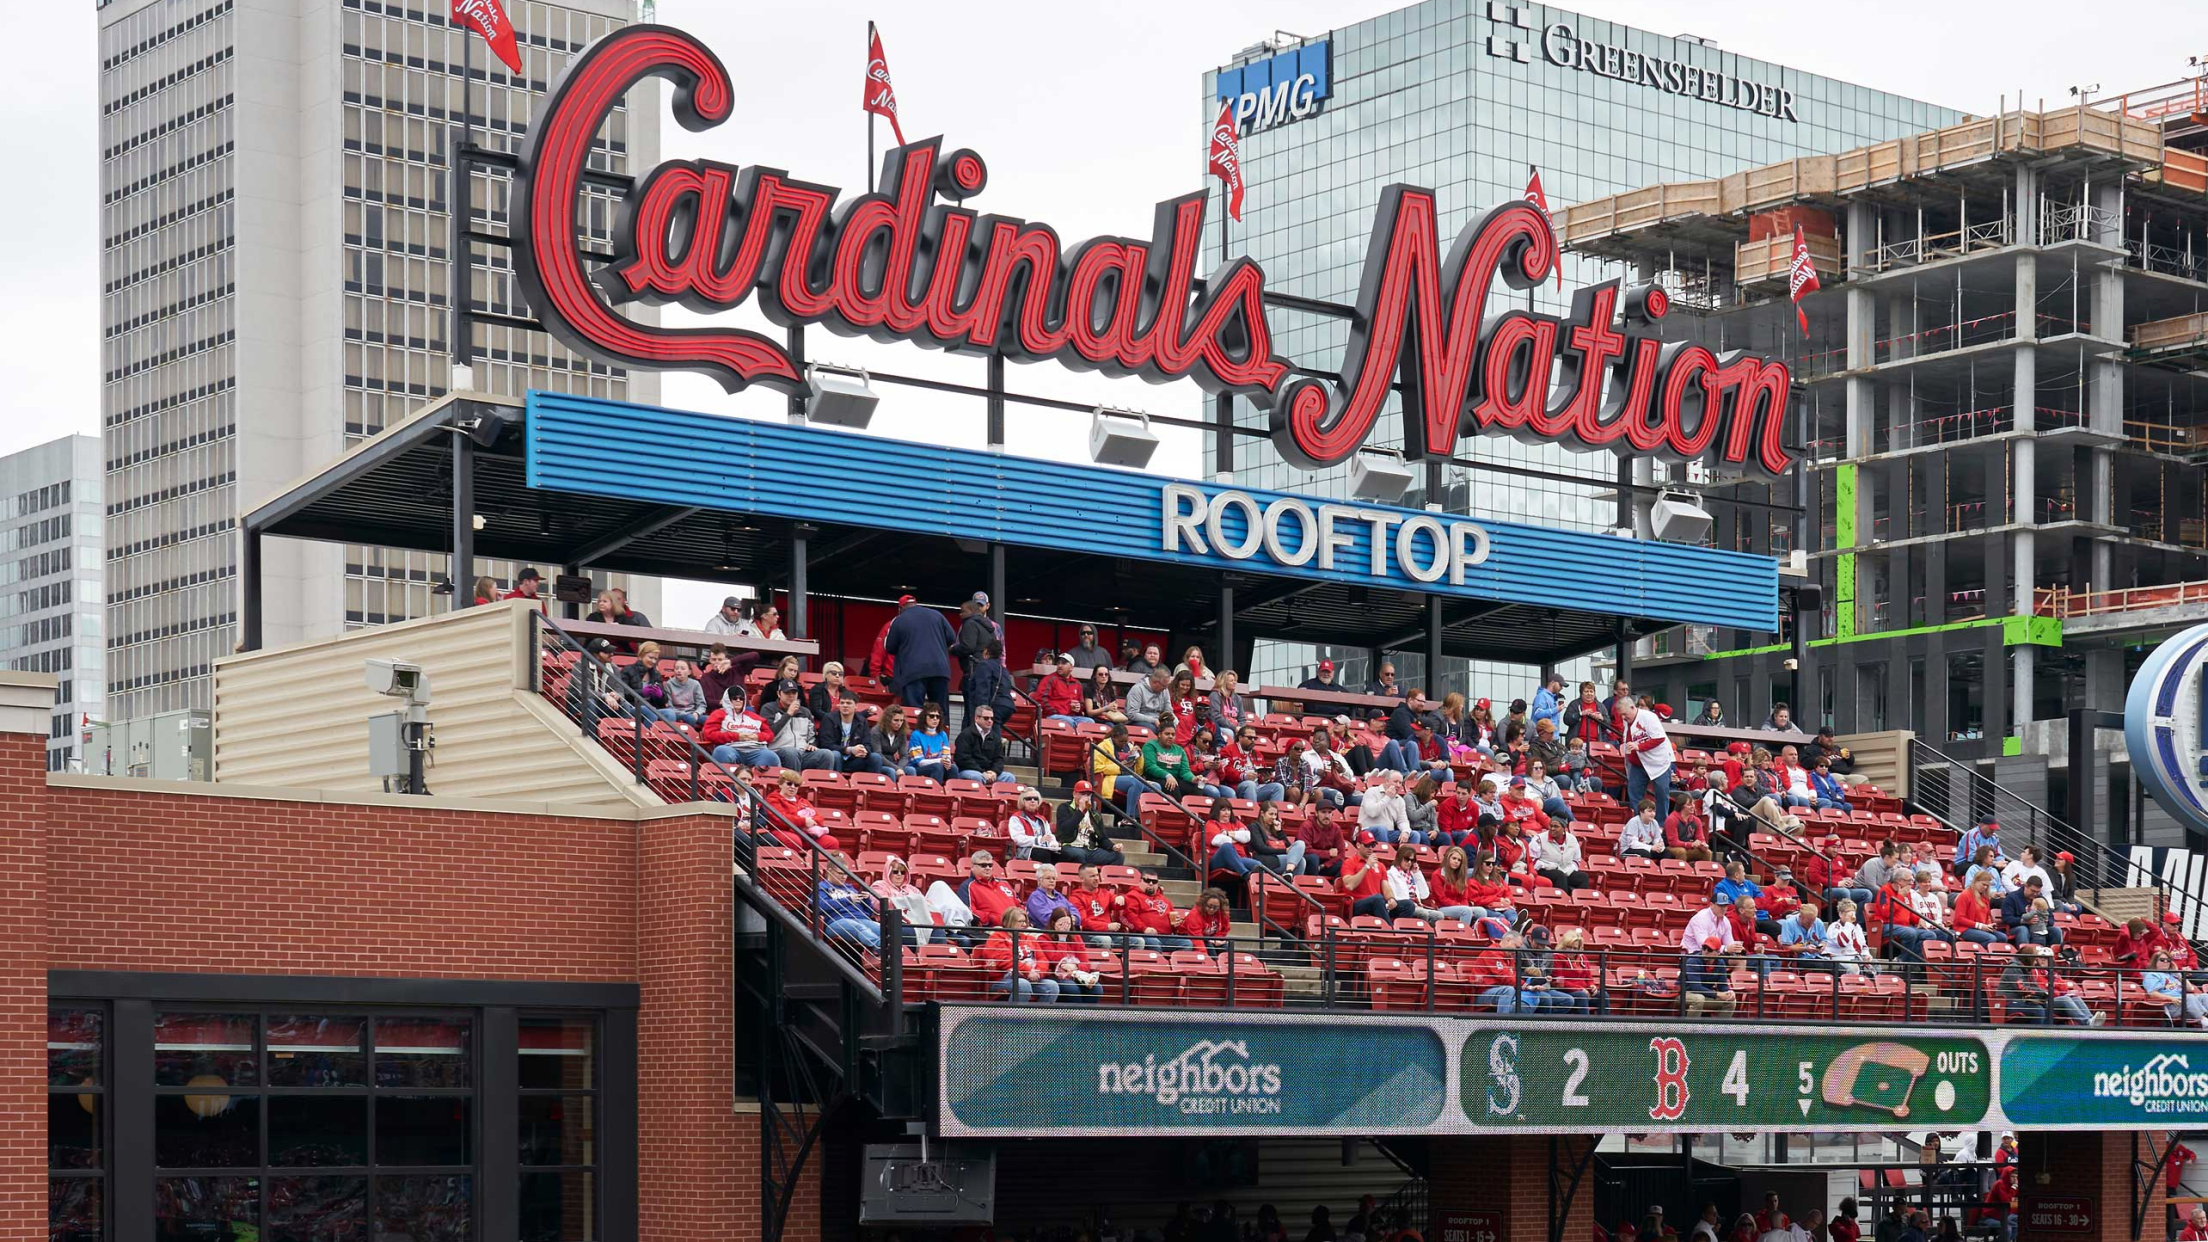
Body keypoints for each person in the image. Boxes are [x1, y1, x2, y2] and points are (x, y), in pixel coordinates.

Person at [882, 596, 957, 714]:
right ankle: (942, 732)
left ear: (900, 608)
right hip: (939, 669)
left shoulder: (899, 620)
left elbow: (889, 647)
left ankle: (916, 733)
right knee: (939, 711)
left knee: (914, 711)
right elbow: (952, 638)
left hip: (913, 672)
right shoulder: (937, 615)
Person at [2001, 943, 2097, 1025]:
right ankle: (2036, 1037)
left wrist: (2048, 990)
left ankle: (2090, 1020)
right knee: (2048, 1006)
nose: (2037, 961)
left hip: (2035, 999)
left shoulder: (2033, 970)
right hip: (2012, 1001)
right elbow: (2023, 988)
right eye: (2037, 958)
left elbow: (2061, 987)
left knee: (2075, 998)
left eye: (2045, 958)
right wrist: (2046, 992)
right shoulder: (2019, 969)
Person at [979, 907, 1057, 1002]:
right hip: (1001, 979)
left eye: (1025, 921)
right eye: (1020, 921)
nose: (1024, 925)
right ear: (1009, 922)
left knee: (1052, 987)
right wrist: (1028, 971)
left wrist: (1038, 973)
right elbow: (1005, 960)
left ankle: (1037, 1016)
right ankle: (1015, 1016)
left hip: (1029, 977)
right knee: (1023, 985)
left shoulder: (1029, 939)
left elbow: (1042, 959)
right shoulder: (997, 938)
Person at [1618, 699, 1676, 817]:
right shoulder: (1626, 721)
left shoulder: (1649, 717)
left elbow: (1659, 738)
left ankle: (1661, 824)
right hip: (1639, 764)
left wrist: (1638, 746)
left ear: (1633, 707)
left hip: (1659, 761)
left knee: (1661, 794)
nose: (1623, 717)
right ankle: (1639, 821)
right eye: (1621, 715)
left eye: (1625, 714)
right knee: (1634, 793)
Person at [702, 687, 780, 770]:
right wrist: (737, 736)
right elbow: (709, 734)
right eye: (734, 698)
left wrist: (757, 737)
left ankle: (755, 780)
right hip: (731, 748)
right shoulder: (718, 714)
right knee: (720, 751)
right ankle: (727, 780)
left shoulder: (754, 716)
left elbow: (770, 735)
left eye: (741, 698)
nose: (738, 700)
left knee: (771, 757)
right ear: (728, 700)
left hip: (755, 750)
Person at [1115, 870, 1193, 951]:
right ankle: (1161, 963)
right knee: (1154, 943)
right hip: (1144, 935)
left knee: (1187, 943)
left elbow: (1174, 920)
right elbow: (1129, 915)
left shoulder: (1164, 899)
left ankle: (1173, 963)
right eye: (1147, 880)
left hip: (1166, 936)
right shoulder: (1133, 896)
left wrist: (1177, 925)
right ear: (1140, 881)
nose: (1151, 883)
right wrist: (1144, 929)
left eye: (1154, 881)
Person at [762, 769, 839, 851]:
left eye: (796, 785)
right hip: (783, 831)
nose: (792, 787)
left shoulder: (803, 801)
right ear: (780, 784)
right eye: (789, 783)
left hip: (807, 834)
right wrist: (803, 821)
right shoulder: (773, 799)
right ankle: (797, 863)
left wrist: (811, 822)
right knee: (794, 841)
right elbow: (780, 819)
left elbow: (819, 818)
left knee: (832, 842)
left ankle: (814, 863)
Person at [1054, 782, 1126, 866]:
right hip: (1070, 846)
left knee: (1118, 857)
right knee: (1078, 855)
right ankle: (1085, 877)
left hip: (1090, 849)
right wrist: (1081, 811)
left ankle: (1102, 878)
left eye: (1088, 795)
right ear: (1074, 794)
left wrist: (1113, 846)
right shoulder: (1064, 808)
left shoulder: (1094, 813)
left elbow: (1102, 838)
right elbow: (1065, 830)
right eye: (1083, 794)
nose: (1086, 798)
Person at [953, 703, 1018, 785]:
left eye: (992, 718)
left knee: (1009, 777)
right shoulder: (965, 735)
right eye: (986, 718)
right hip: (968, 771)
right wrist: (982, 772)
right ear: (976, 718)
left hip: (989, 772)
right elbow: (963, 759)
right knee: (977, 777)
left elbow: (999, 759)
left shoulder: (995, 737)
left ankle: (1001, 798)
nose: (990, 721)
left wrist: (994, 772)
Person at [1529, 816, 1592, 891]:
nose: (1552, 829)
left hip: (1566, 870)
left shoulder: (1572, 839)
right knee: (1560, 876)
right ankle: (1563, 901)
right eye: (1551, 826)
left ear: (1563, 828)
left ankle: (1579, 901)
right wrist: (1549, 866)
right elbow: (1532, 860)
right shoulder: (1539, 839)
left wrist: (1569, 870)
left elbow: (1576, 859)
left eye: (1556, 826)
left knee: (1583, 877)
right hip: (1544, 870)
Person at [1357, 769, 1417, 845]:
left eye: (1400, 783)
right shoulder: (1371, 792)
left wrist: (1405, 831)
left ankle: (1403, 856)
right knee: (1381, 829)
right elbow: (1372, 812)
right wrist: (1388, 797)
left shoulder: (1400, 800)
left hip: (1389, 833)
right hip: (1367, 831)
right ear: (1386, 781)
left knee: (1414, 835)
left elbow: (1402, 821)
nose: (1398, 785)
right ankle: (1383, 854)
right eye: (1395, 782)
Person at [1682, 938, 1739, 1017]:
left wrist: (1729, 992)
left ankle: (1719, 1028)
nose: (1705, 952)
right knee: (1699, 999)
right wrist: (1717, 994)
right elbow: (1696, 987)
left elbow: (1723, 986)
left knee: (1731, 1001)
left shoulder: (1720, 963)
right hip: (1685, 994)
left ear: (1718, 953)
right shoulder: (1693, 961)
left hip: (1705, 995)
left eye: (1709, 949)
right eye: (1704, 948)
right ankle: (1691, 1028)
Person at [2002, 876, 2063, 947]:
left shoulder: (2041, 899)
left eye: (2037, 892)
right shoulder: (2012, 898)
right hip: (2017, 927)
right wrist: (2024, 921)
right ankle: (2025, 954)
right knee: (2023, 929)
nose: (2035, 894)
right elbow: (2007, 918)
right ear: (2026, 886)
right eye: (2033, 891)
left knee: (2056, 930)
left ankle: (2053, 954)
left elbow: (2051, 918)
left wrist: (2046, 921)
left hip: (2039, 927)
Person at [1343, 833, 1392, 919]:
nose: (1370, 848)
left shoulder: (1380, 865)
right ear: (1358, 845)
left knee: (1407, 905)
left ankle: (1397, 929)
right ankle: (1390, 930)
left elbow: (1386, 887)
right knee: (1378, 899)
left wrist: (1391, 899)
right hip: (1356, 904)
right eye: (1367, 845)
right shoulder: (1349, 862)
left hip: (1377, 903)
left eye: (1372, 845)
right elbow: (1350, 885)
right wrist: (1367, 866)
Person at [1004, 788, 1059, 861]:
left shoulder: (1042, 819)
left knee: (1062, 855)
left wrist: (1053, 843)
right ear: (1023, 801)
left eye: (1035, 799)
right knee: (1043, 854)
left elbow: (1049, 835)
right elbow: (1017, 839)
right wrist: (1037, 840)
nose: (1032, 801)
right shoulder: (1016, 818)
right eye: (1029, 798)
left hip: (1043, 848)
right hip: (1025, 849)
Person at [904, 704, 956, 781]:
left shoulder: (943, 734)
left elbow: (946, 756)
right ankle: (935, 792)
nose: (935, 719)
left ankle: (953, 792)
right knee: (937, 767)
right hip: (919, 768)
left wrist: (947, 761)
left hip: (939, 766)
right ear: (924, 717)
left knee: (953, 768)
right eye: (932, 716)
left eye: (937, 717)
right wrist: (940, 761)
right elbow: (920, 762)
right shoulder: (916, 735)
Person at [1035, 652, 1087, 725]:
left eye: (1063, 663)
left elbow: (1081, 703)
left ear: (1071, 667)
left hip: (1072, 716)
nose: (1060, 666)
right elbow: (1041, 699)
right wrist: (1056, 712)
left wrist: (1078, 708)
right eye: (1058, 663)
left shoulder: (1077, 684)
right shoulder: (1049, 679)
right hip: (1052, 716)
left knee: (1089, 722)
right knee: (1069, 722)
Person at [1952, 870, 2003, 944]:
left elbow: (1986, 916)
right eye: (1983, 884)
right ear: (1976, 881)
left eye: (1987, 885)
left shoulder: (1985, 897)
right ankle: (1977, 954)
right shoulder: (1965, 895)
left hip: (1980, 928)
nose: (1985, 887)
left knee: (2002, 938)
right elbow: (1959, 918)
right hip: (1964, 928)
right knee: (1991, 938)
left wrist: (1989, 925)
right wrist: (1980, 926)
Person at [1182, 887, 1234, 955]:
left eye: (1215, 907)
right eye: (1209, 906)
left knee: (1226, 948)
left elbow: (1225, 928)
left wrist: (1216, 939)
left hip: (1210, 938)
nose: (1212, 909)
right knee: (1210, 949)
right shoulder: (1194, 914)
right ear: (1204, 903)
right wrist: (1205, 957)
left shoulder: (1222, 913)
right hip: (1191, 936)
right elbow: (1196, 938)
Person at [660, 658, 708, 728]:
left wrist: (697, 713)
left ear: (689, 672)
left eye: (682, 669)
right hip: (676, 713)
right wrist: (684, 714)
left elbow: (702, 704)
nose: (679, 671)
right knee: (690, 718)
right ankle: (689, 737)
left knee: (710, 720)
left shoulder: (695, 684)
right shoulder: (669, 684)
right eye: (677, 668)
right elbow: (669, 706)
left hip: (693, 713)